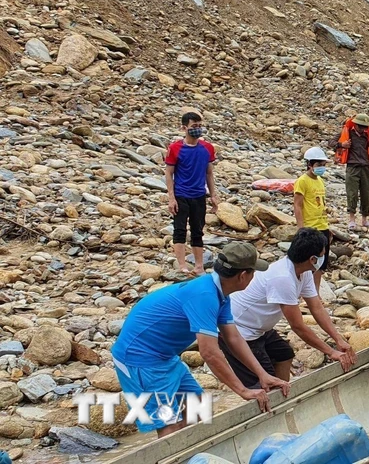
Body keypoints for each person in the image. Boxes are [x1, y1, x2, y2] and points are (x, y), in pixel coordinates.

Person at [111, 242, 290, 437]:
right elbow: (209, 353)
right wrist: (243, 390)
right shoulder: (205, 295)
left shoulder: (220, 294)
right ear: (243, 275)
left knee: (196, 410)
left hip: (164, 356)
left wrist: (262, 374)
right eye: (253, 272)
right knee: (169, 425)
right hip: (140, 360)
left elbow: (234, 338)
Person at [220, 229, 356, 389]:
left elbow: (317, 307)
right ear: (313, 259)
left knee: (284, 354)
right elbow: (298, 326)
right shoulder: (283, 277)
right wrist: (331, 352)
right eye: (323, 254)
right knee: (263, 381)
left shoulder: (304, 272)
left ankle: (282, 397)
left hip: (259, 327)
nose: (324, 257)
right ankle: (268, 403)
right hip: (238, 330)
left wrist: (338, 339)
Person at [165, 112, 219, 276]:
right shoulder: (175, 148)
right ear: (184, 128)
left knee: (198, 230)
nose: (197, 129)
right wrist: (171, 198)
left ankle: (199, 265)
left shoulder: (207, 148)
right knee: (179, 229)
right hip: (181, 194)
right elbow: (169, 173)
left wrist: (213, 194)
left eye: (199, 126)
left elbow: (209, 173)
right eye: (193, 126)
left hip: (199, 195)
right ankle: (182, 265)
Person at [329, 113, 369, 231]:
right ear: (355, 125)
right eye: (360, 126)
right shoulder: (347, 133)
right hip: (352, 167)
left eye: (365, 127)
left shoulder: (368, 136)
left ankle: (365, 219)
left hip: (366, 167)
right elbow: (331, 143)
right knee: (352, 193)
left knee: (366, 193)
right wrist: (342, 144)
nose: (363, 129)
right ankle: (351, 219)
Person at [294, 147, 332, 292]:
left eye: (323, 165)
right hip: (310, 227)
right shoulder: (302, 181)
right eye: (319, 165)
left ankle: (315, 293)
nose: (322, 168)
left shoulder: (320, 181)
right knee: (309, 263)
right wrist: (301, 228)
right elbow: (297, 205)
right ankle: (304, 293)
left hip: (322, 225)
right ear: (310, 164)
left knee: (321, 265)